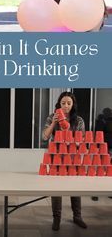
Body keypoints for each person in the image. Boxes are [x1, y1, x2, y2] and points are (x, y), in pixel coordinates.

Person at [42, 91, 87, 231]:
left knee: (75, 187)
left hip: (73, 158)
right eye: (63, 103)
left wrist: (72, 140)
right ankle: (56, 218)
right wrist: (55, 122)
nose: (66, 106)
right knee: (56, 188)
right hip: (56, 158)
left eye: (69, 103)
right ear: (59, 104)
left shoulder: (78, 120)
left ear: (73, 105)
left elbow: (83, 140)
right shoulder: (52, 117)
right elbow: (45, 137)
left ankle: (77, 216)